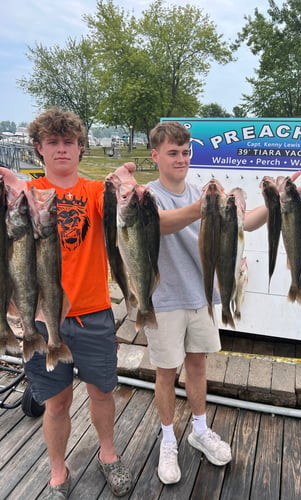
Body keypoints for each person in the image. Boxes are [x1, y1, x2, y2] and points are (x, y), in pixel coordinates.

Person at [0, 108, 133, 499]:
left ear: (80, 147)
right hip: (40, 320)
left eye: (69, 142)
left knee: (102, 392)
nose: (62, 150)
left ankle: (108, 454)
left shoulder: (95, 192)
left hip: (93, 314)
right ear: (39, 149)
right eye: (53, 143)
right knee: (56, 403)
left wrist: (125, 182)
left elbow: (125, 210)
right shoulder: (25, 193)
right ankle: (57, 470)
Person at [145, 121, 269, 485]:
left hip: (201, 297)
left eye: (185, 152)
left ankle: (199, 430)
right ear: (155, 156)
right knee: (166, 373)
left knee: (197, 365)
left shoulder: (201, 193)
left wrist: (275, 202)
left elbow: (243, 222)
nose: (181, 158)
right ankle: (168, 438)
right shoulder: (147, 197)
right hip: (164, 299)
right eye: (173, 153)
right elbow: (160, 224)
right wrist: (203, 208)